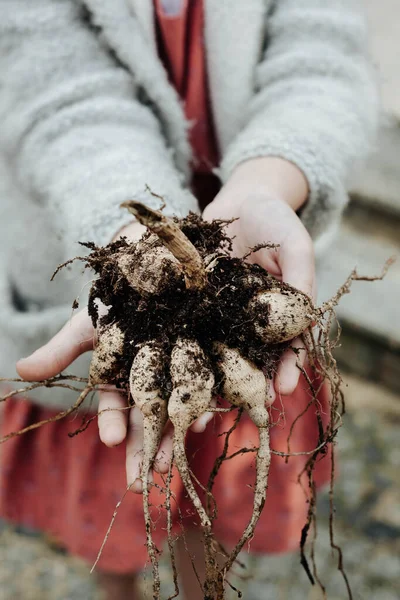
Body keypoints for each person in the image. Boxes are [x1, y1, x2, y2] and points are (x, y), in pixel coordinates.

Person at [0, 1, 378, 598]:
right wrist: (130, 235)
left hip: (257, 263)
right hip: (88, 220)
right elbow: (59, 89)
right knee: (120, 501)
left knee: (220, 484)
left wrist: (263, 181)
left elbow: (322, 59)